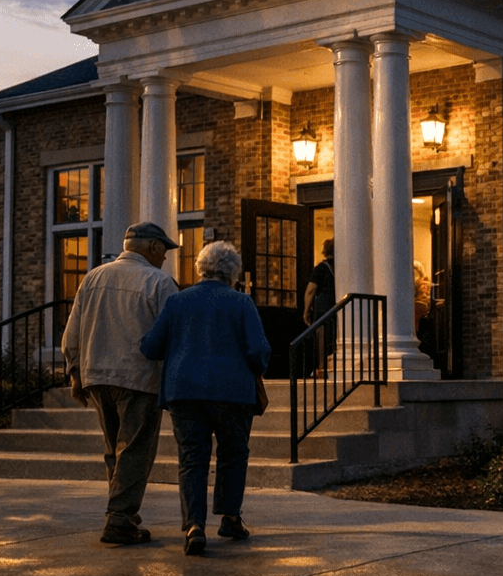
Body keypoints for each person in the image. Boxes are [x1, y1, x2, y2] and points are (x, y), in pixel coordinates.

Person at [140, 241, 271, 556]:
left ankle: (194, 526)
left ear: (200, 267)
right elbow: (258, 351)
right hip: (232, 392)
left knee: (192, 458)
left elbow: (150, 347)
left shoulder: (177, 302)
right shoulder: (242, 303)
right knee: (233, 454)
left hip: (184, 392)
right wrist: (256, 367)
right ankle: (229, 517)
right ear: (233, 272)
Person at [60, 221, 179, 546]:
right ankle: (120, 518)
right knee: (136, 449)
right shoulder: (159, 281)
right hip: (139, 377)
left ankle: (121, 510)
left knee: (114, 448)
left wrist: (75, 372)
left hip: (96, 375)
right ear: (153, 248)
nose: (166, 258)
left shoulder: (94, 277)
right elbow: (174, 333)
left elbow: (72, 331)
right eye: (165, 250)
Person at [303, 239, 335, 377]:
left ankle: (322, 368)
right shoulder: (343, 267)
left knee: (321, 339)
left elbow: (311, 290)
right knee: (335, 338)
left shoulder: (321, 269)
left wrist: (306, 311)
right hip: (338, 307)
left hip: (323, 308)